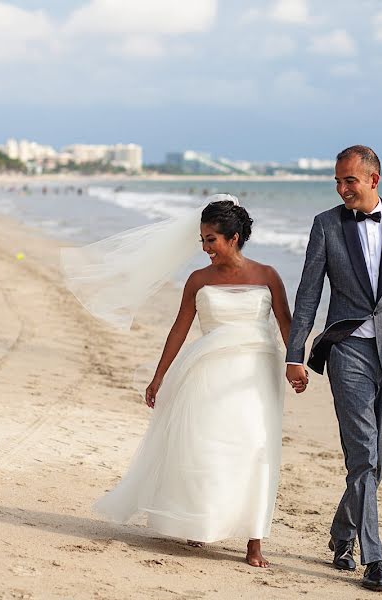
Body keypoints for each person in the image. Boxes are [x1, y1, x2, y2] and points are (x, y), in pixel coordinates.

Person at [86, 197, 295, 568]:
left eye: (211, 239)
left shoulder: (267, 275)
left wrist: (297, 364)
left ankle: (254, 541)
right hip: (208, 371)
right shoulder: (199, 280)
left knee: (255, 448)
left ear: (233, 238)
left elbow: (286, 324)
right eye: (202, 240)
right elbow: (180, 328)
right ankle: (201, 522)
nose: (205, 248)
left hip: (256, 375)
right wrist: (158, 376)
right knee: (208, 445)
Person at [285, 145, 382, 592]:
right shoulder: (326, 225)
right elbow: (309, 293)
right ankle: (374, 559)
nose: (342, 188)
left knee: (379, 459)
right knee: (363, 455)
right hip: (346, 348)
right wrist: (296, 353)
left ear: (374, 179)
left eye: (349, 180)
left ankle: (341, 536)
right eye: (337, 181)